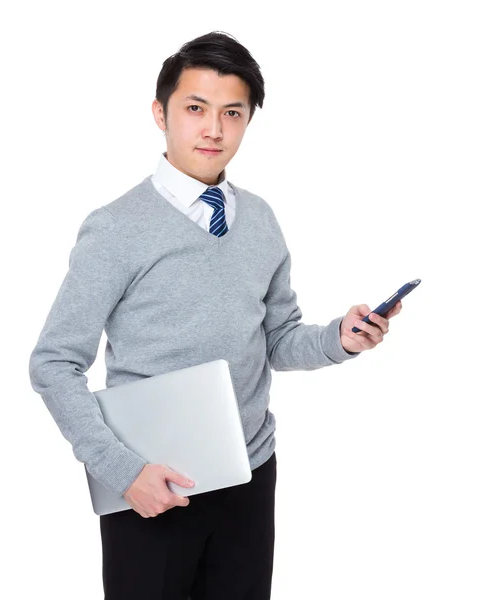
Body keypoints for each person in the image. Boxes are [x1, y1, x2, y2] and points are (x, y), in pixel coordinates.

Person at [28, 30, 402, 600]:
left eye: (233, 112)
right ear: (161, 113)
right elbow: (54, 363)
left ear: (249, 119)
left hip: (249, 473)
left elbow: (277, 338)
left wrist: (340, 339)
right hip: (152, 483)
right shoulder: (115, 229)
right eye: (195, 108)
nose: (214, 129)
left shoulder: (260, 220)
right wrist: (122, 471)